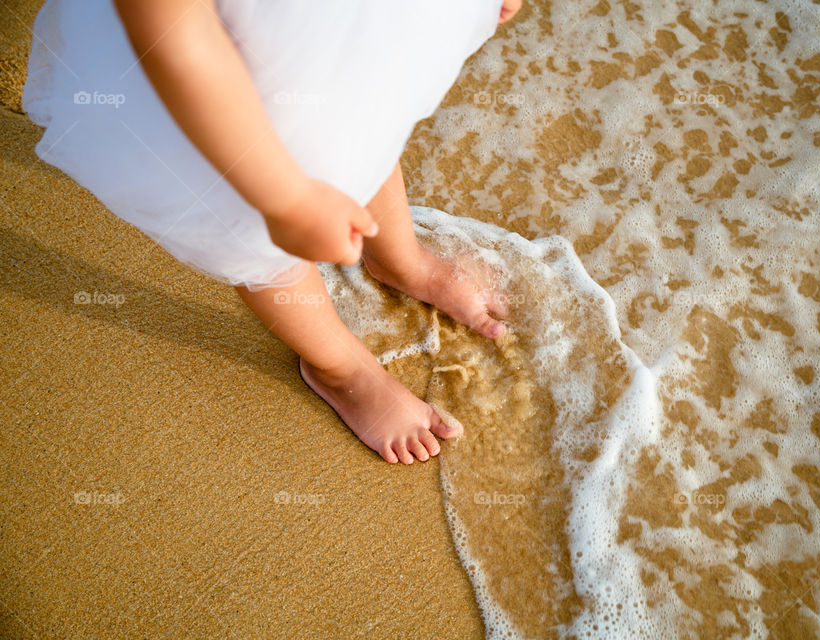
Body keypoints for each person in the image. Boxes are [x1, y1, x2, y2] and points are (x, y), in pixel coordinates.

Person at [23, 0, 522, 464]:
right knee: (247, 223)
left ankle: (400, 259)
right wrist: (288, 202)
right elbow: (175, 31)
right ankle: (340, 368)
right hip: (215, 73)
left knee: (355, 123)